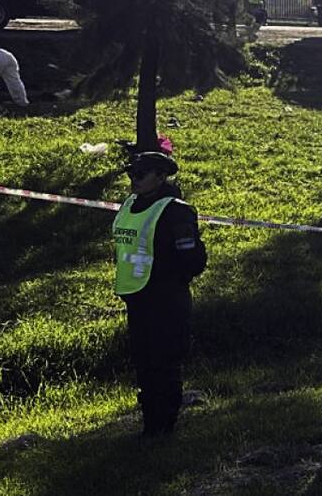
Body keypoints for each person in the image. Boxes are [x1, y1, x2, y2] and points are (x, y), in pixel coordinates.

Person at [112, 152, 207, 437]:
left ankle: (164, 425)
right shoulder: (130, 205)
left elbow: (193, 259)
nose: (135, 180)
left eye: (141, 175)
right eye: (131, 174)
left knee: (165, 363)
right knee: (144, 362)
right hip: (136, 296)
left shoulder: (176, 211)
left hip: (167, 298)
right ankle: (150, 422)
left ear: (161, 176)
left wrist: (172, 278)